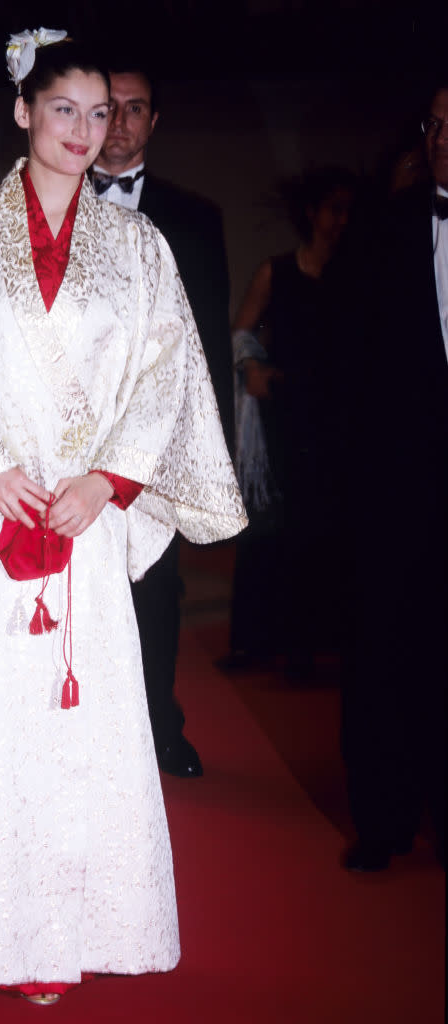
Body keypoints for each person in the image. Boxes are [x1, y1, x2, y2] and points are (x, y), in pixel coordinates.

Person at [0, 31, 246, 1004]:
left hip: (82, 520)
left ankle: (73, 924)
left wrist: (108, 482)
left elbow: (167, 377)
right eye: (66, 109)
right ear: (23, 112)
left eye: (103, 112)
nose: (87, 129)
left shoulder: (139, 247)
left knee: (80, 729)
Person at [91, 62, 234, 777]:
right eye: (105, 108)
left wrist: (208, 453)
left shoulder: (196, 215)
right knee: (77, 589)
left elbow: (205, 340)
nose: (117, 124)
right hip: (71, 439)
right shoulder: (46, 204)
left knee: (155, 587)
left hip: (154, 440)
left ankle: (156, 727)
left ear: (154, 121)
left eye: (133, 109)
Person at [340, 84, 447, 872]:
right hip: (395, 492)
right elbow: (346, 372)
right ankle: (381, 821)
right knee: (386, 655)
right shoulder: (381, 230)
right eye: (435, 125)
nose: (442, 139)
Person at [229, 167, 357, 675]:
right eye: (333, 209)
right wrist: (253, 365)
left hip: (337, 416)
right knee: (275, 527)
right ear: (311, 213)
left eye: (348, 212)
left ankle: (317, 641)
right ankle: (260, 642)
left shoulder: (357, 273)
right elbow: (242, 332)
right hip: (285, 413)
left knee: (326, 526)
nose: (340, 222)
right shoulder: (276, 272)